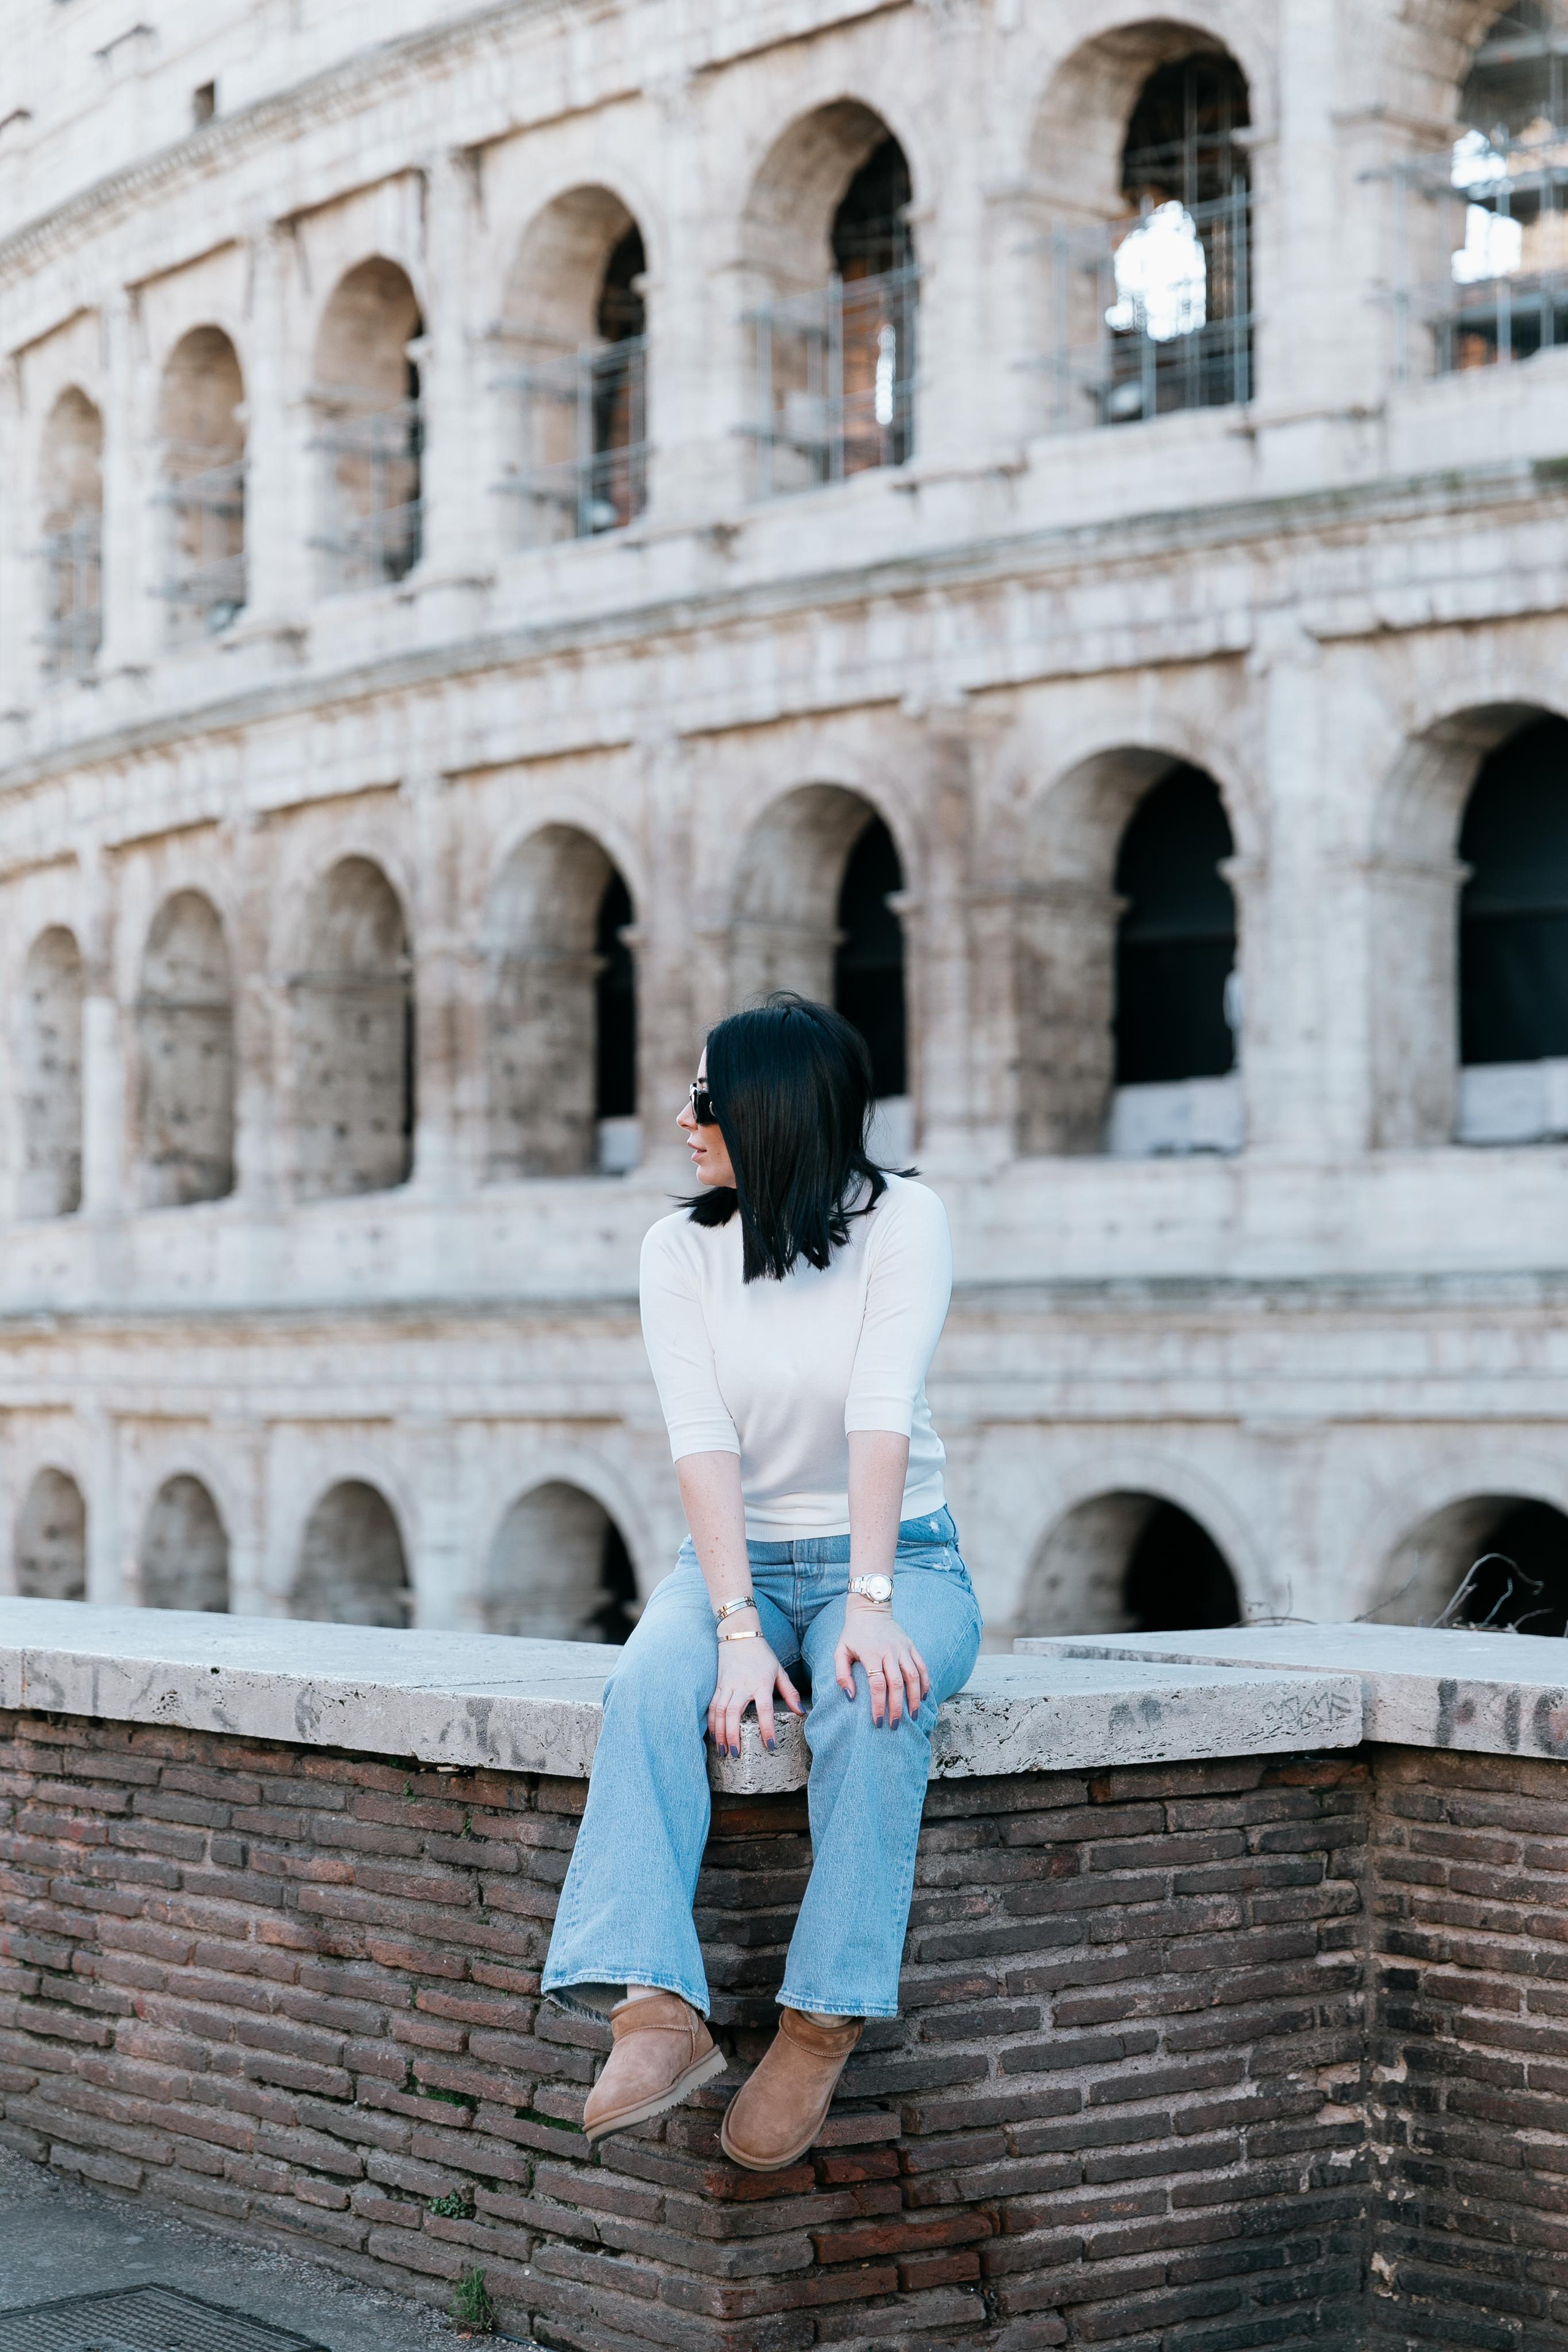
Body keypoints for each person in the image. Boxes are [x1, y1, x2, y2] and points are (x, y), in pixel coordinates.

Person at [542, 993, 982, 2171]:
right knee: (648, 1687)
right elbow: (701, 1438)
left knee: (873, 1697)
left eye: (707, 1098)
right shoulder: (678, 1249)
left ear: (773, 1108)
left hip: (899, 1555)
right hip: (733, 1562)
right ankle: (653, 2010)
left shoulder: (907, 1221)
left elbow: (880, 1408)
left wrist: (873, 1604)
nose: (685, 1120)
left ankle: (821, 2020)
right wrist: (737, 1627)